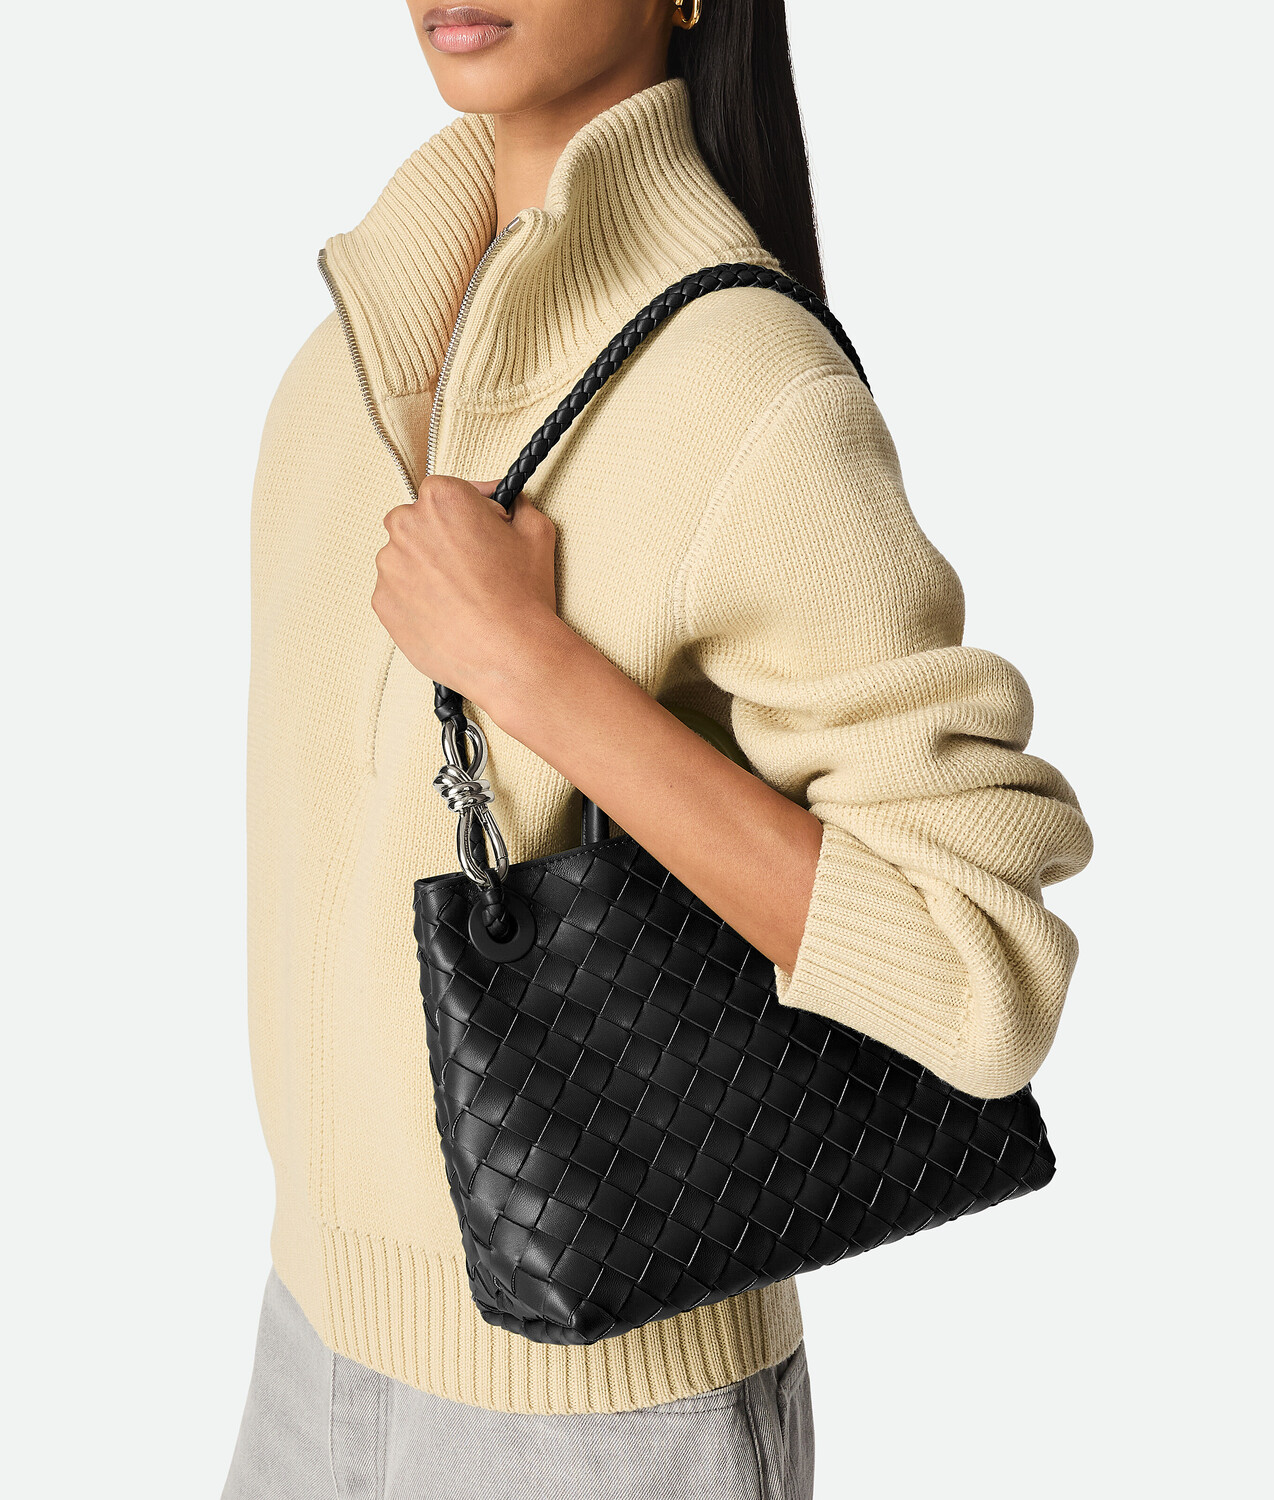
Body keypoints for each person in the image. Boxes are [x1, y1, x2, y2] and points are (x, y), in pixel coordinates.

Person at [223, 2, 1093, 1495]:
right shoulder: (341, 368)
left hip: (604, 1418)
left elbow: (975, 970)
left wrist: (535, 672)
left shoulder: (744, 385)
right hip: (310, 1345)